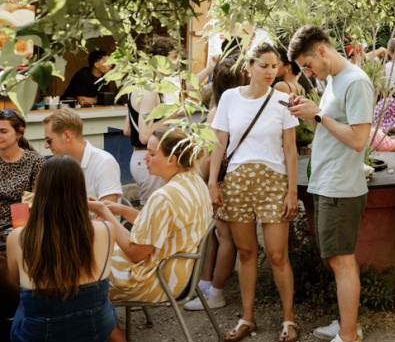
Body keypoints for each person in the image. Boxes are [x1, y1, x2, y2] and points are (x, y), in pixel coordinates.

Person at [89, 128, 211, 342]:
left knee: (84, 280)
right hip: (181, 271)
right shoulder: (193, 180)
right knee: (90, 263)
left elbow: (135, 252)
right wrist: (122, 211)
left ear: (172, 160)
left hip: (159, 279)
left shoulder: (164, 196)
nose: (145, 157)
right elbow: (159, 226)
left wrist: (104, 214)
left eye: (152, 153)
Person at [287, 25, 374, 342]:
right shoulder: (336, 81)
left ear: (322, 50)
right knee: (337, 259)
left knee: (341, 261)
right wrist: (311, 110)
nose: (307, 73)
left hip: (340, 186)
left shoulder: (355, 81)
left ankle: (349, 339)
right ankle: (347, 324)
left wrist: (317, 114)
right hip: (327, 182)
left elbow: (357, 140)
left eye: (307, 65)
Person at [207, 43, 300, 342]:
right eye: (264, 65)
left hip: (274, 182)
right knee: (245, 253)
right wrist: (212, 183)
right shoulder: (230, 99)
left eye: (275, 65)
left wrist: (292, 191)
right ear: (249, 68)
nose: (271, 71)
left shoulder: (284, 100)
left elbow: (290, 149)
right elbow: (219, 143)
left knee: (277, 254)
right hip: (237, 181)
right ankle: (247, 316)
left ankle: (288, 319)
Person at [7, 156, 117, 342]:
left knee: (25, 300)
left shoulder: (19, 237)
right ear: (80, 191)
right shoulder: (106, 230)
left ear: (39, 192)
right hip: (97, 334)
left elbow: (15, 281)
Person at [183, 57, 247, 312]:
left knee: (223, 236)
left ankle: (215, 291)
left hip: (220, 178)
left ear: (215, 84)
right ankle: (211, 285)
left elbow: (210, 153)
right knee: (228, 237)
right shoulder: (245, 105)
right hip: (241, 174)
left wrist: (202, 180)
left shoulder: (218, 110)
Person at [123, 36, 180, 204]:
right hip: (148, 158)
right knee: (153, 213)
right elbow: (145, 136)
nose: (177, 63)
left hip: (139, 158)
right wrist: (173, 113)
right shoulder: (151, 88)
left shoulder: (138, 83)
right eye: (174, 58)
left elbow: (127, 130)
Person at [43, 109, 122, 203]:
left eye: (49, 140)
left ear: (67, 136)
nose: (46, 146)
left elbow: (108, 213)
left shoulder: (104, 163)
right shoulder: (57, 165)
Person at [0, 109, 45, 225]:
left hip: (24, 226)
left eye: (3, 131)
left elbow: (36, 204)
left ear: (19, 133)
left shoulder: (35, 162)